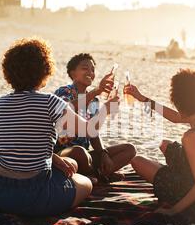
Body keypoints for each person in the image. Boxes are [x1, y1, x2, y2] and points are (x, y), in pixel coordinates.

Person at [0, 38, 119, 217]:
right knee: (87, 184)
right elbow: (89, 130)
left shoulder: (0, 104)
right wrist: (107, 109)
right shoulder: (50, 102)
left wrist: (56, 159)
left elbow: (18, 143)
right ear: (44, 70)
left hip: (1, 191)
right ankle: (87, 179)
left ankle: (80, 173)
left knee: (72, 163)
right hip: (35, 194)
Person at [124, 69, 195, 216]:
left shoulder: (191, 136)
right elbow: (175, 117)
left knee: (137, 161)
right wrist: (142, 98)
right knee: (164, 144)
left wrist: (173, 211)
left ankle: (171, 175)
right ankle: (172, 172)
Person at [54, 53, 136, 183]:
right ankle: (99, 175)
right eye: (85, 68)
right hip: (62, 155)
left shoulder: (94, 101)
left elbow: (93, 132)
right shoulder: (64, 92)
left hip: (86, 157)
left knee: (129, 149)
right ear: (73, 73)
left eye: (92, 69)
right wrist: (96, 92)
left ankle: (96, 174)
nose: (90, 72)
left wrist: (103, 154)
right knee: (78, 152)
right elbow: (67, 108)